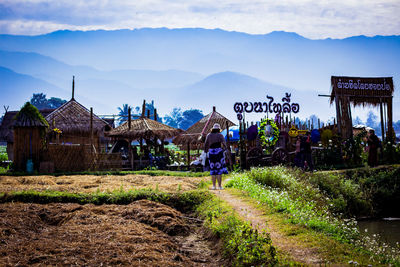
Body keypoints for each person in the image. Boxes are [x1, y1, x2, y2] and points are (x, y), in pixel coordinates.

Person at [204, 123, 228, 190]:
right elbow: (224, 143)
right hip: (219, 153)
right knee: (219, 169)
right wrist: (224, 149)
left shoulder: (208, 135)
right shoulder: (220, 135)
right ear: (218, 129)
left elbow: (206, 144)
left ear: (213, 129)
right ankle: (220, 186)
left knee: (213, 169)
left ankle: (214, 186)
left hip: (211, 153)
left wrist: (206, 151)